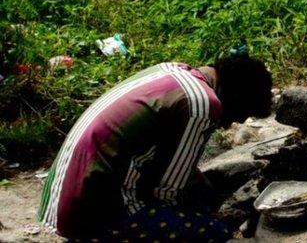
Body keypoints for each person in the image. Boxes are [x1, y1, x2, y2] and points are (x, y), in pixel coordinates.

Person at [37, 52, 272, 242]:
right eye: (243, 113)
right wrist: (208, 213)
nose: (236, 122)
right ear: (236, 96)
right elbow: (167, 193)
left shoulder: (175, 71)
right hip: (95, 212)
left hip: (63, 198)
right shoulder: (201, 104)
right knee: (214, 232)